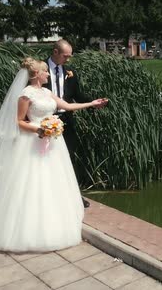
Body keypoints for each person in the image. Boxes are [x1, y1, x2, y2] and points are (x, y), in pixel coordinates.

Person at [0, 58, 107, 253]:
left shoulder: (46, 92)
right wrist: (39, 129)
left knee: (53, 181)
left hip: (53, 143)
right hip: (32, 143)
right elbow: (19, 121)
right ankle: (26, 230)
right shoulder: (26, 94)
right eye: (45, 72)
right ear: (36, 74)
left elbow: (68, 106)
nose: (47, 74)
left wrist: (92, 103)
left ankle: (54, 222)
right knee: (31, 183)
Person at [44, 39, 100, 208]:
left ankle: (73, 195)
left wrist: (94, 103)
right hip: (44, 121)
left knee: (68, 158)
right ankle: (47, 197)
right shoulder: (40, 70)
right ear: (55, 52)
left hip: (66, 121)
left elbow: (77, 96)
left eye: (69, 56)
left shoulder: (70, 72)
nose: (68, 60)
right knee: (44, 160)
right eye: (65, 56)